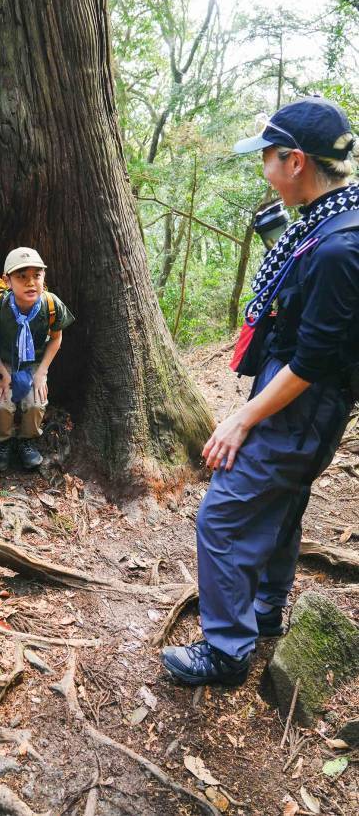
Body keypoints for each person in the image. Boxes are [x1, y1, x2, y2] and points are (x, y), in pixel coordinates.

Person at [161, 97, 359, 686]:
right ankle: (265, 610)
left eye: (268, 157)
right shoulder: (330, 222)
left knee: (223, 517)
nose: (263, 169)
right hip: (304, 399)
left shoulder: (338, 248)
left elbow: (313, 362)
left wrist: (242, 418)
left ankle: (226, 650)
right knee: (281, 501)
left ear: (295, 161)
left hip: (302, 401)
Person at [0, 247, 75, 471]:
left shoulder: (50, 305)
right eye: (21, 276)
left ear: (43, 277)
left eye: (36, 275)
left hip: (34, 363)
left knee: (36, 402)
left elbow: (56, 338)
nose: (31, 283)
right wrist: (1, 372)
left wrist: (42, 373)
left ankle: (27, 440)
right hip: (5, 361)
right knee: (2, 403)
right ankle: (3, 442)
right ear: (7, 281)